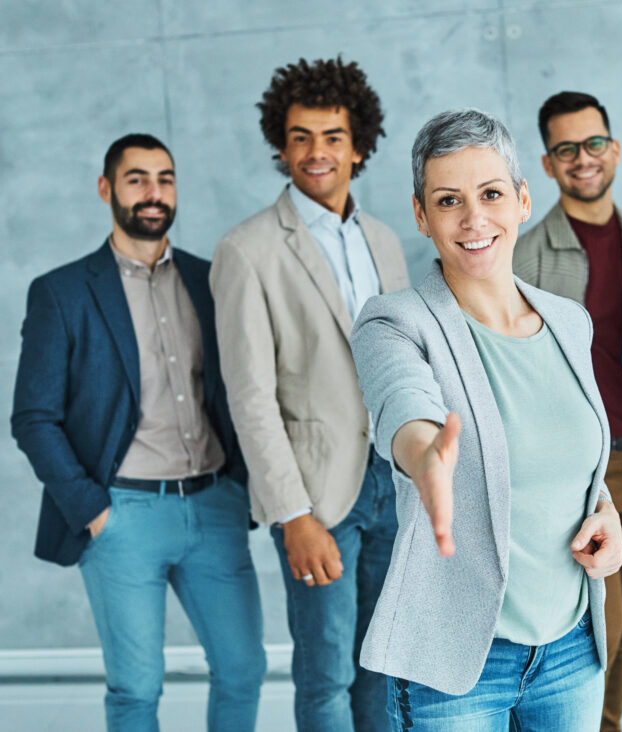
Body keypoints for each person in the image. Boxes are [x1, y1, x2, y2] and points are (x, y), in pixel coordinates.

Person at [350, 108, 622, 731]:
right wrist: (425, 457)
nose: (474, 219)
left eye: (492, 193)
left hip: (570, 650)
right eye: (449, 200)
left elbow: (568, 457)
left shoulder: (567, 321)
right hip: (459, 666)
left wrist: (603, 516)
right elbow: (403, 402)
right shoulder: (395, 321)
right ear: (421, 215)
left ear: (523, 200)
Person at [10, 134, 264, 731]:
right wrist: (92, 509)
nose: (154, 193)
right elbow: (33, 417)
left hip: (215, 509)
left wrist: (241, 486)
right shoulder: (63, 292)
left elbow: (243, 388)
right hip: (121, 514)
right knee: (136, 689)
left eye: (165, 178)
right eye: (137, 179)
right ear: (107, 189)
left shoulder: (211, 279)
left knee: (243, 670)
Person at [210, 56, 409, 732]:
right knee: (327, 674)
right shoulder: (248, 250)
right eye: (300, 137)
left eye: (331, 137)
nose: (316, 153)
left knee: (385, 662)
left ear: (359, 145)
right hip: (318, 495)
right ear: (281, 144)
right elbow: (250, 396)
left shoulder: (383, 241)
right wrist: (292, 514)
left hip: (392, 478)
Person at [512, 91, 622, 732]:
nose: (583, 158)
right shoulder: (522, 255)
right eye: (566, 149)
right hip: (582, 479)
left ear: (615, 150)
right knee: (599, 631)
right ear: (547, 165)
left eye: (593, 143)